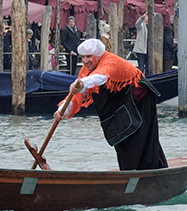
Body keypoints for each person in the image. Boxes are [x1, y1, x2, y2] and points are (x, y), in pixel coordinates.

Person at [54, 38, 167, 171]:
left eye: (89, 57)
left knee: (139, 137)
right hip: (122, 103)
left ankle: (150, 170)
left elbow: (100, 77)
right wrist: (63, 111)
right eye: (83, 57)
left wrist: (82, 83)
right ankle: (130, 172)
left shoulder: (110, 62)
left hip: (140, 99)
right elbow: (76, 95)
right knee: (121, 138)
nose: (85, 61)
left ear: (98, 56)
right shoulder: (85, 71)